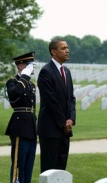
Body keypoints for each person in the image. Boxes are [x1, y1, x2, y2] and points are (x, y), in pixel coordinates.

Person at [37, 39, 76, 173]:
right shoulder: (46, 72)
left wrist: (71, 119)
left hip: (65, 129)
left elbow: (71, 98)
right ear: (54, 52)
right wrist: (62, 123)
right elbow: (50, 101)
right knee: (49, 169)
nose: (67, 51)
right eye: (63, 48)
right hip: (51, 129)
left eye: (67, 48)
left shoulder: (67, 72)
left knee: (61, 169)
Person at [5, 52, 37, 183]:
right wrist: (24, 76)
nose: (32, 69)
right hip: (19, 126)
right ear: (20, 66)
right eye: (29, 65)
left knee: (29, 164)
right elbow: (15, 95)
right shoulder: (12, 82)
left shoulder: (31, 85)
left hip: (30, 126)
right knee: (19, 163)